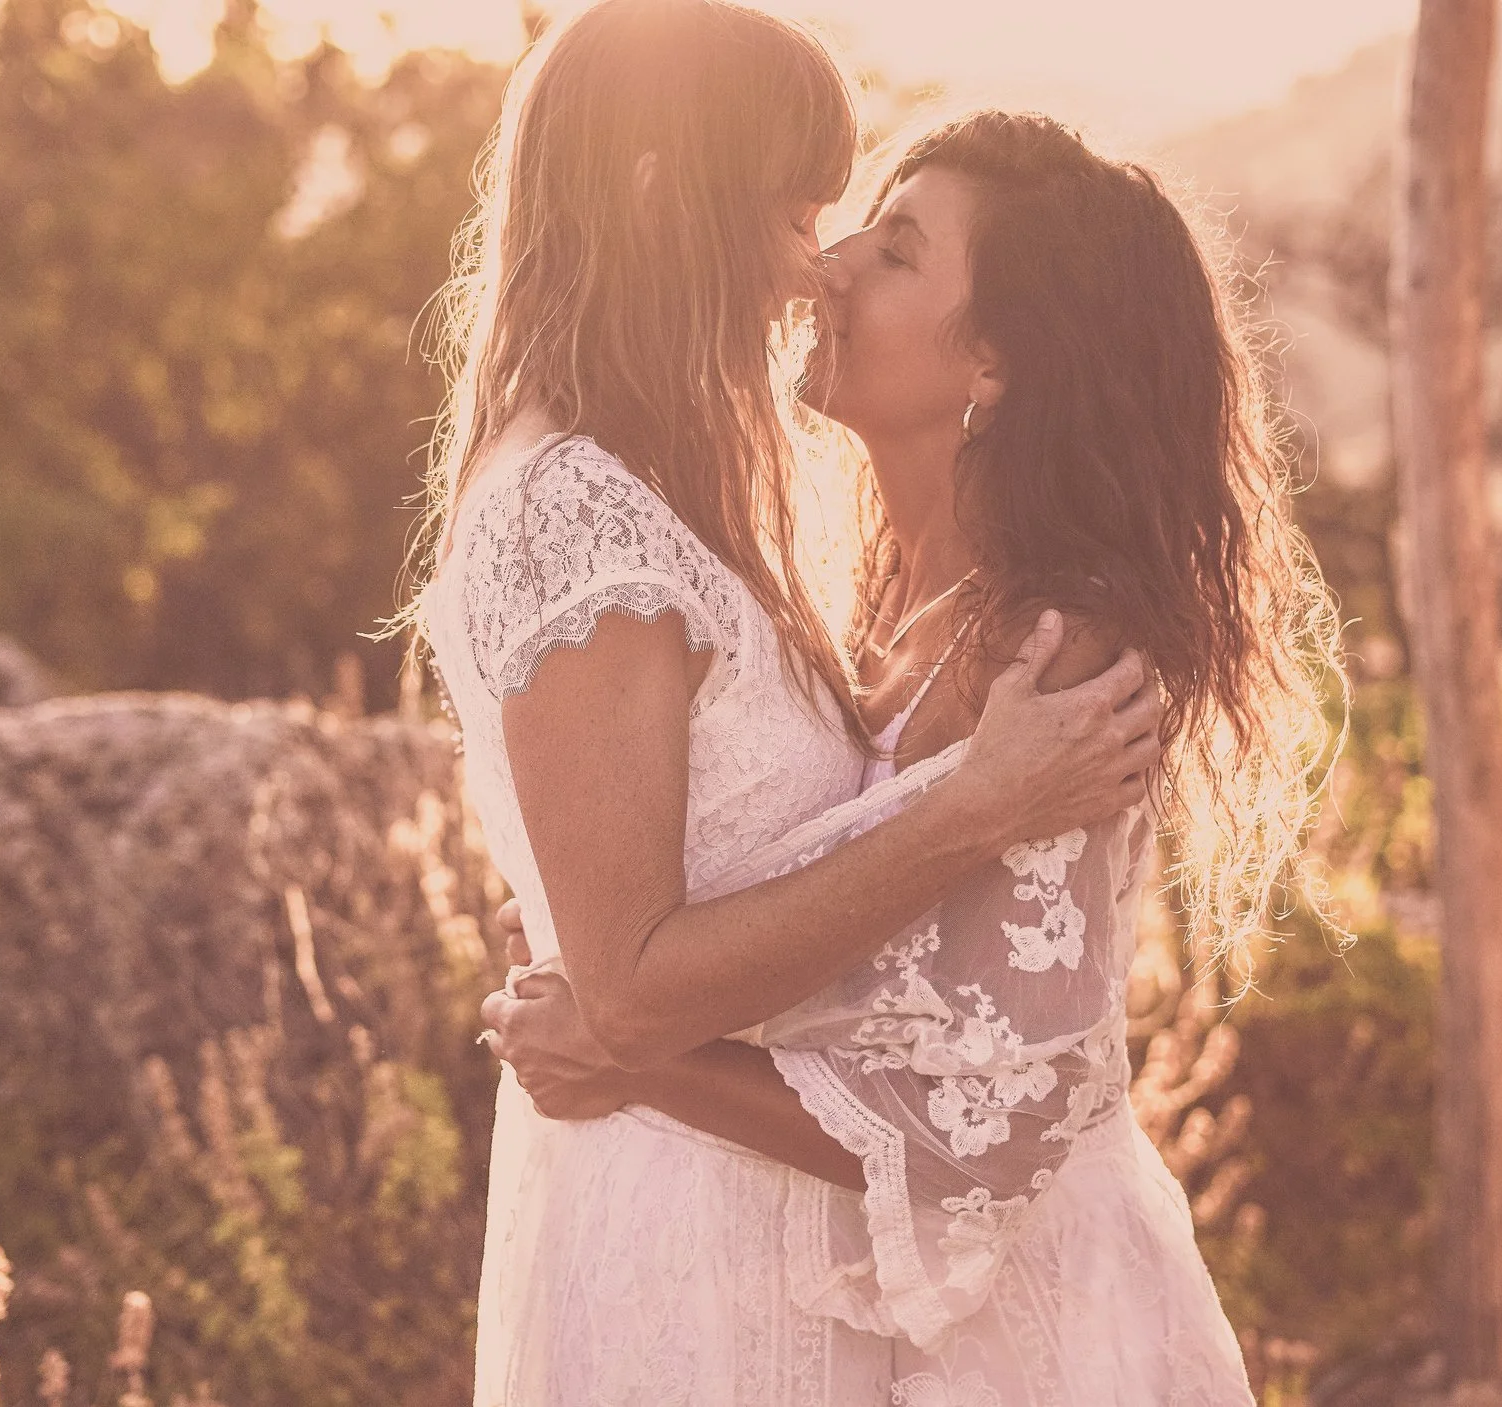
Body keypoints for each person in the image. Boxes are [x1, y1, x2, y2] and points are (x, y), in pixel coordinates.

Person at [483, 110, 1339, 1404]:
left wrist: (635, 1051)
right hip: (861, 1309)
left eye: (893, 253)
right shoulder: (863, 607)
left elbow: (1004, 1120)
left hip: (1031, 1336)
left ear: (991, 361)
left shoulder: (1058, 652)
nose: (828, 269)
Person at [401, 8, 1165, 1402]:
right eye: (795, 212)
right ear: (656, 199)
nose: (812, 263)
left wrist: (630, 1034)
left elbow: (1003, 1090)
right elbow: (632, 971)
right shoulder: (587, 512)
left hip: (793, 1254)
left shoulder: (931, 607)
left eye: (871, 234)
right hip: (694, 1256)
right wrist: (973, 810)